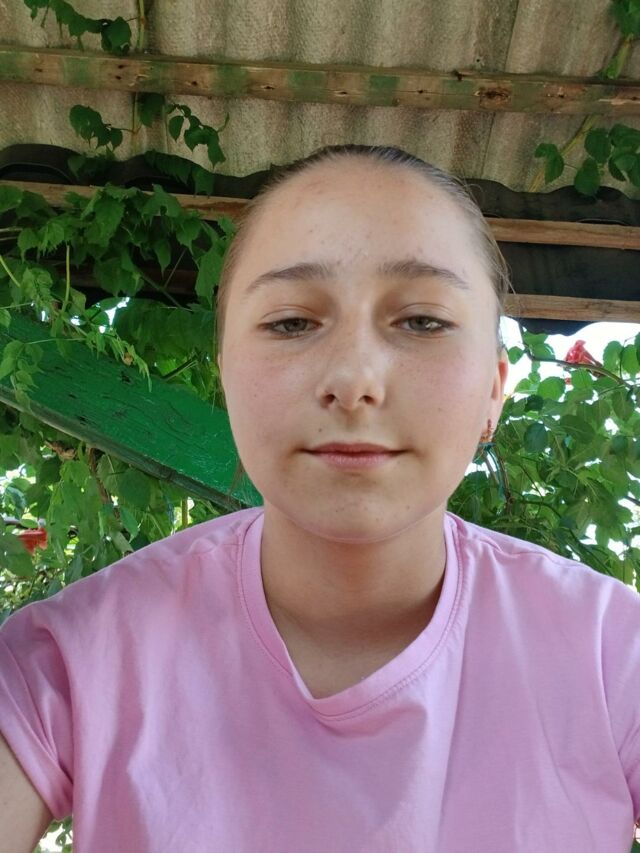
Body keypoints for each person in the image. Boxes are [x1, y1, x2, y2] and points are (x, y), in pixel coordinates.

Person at [0, 144, 639, 853]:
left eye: (422, 320)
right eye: (292, 322)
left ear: (494, 390)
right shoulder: (67, 661)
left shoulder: (613, 656)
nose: (354, 379)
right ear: (226, 373)